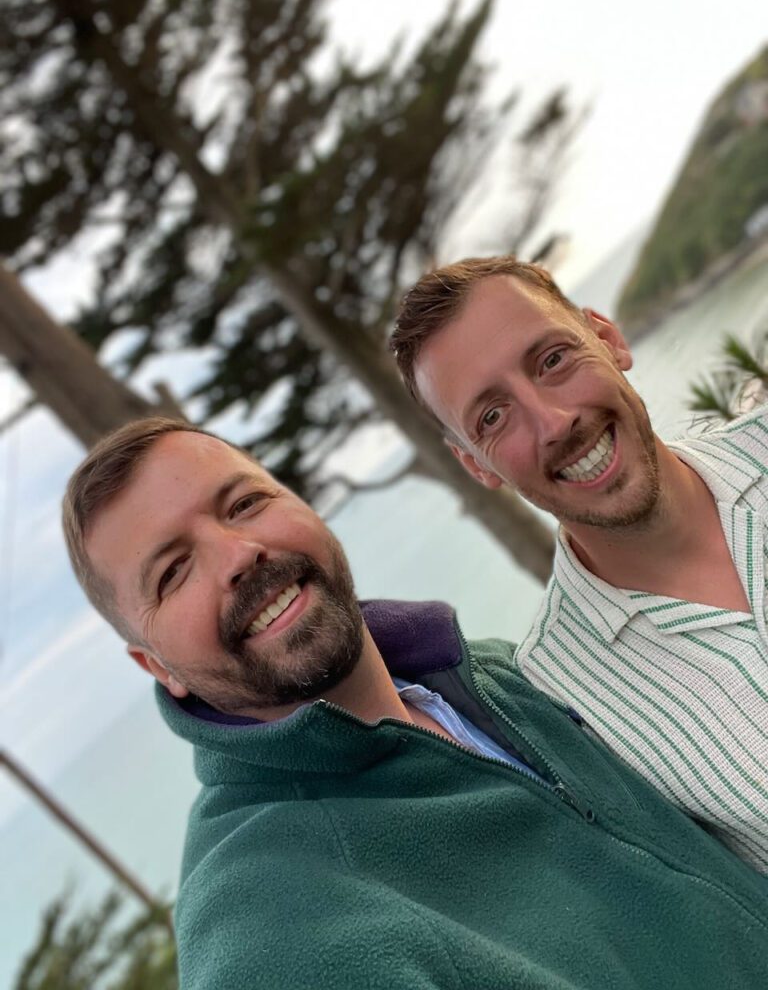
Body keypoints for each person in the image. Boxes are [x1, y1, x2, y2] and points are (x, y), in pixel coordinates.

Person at [62, 417, 768, 990]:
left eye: (244, 503)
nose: (239, 553)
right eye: (174, 571)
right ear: (157, 667)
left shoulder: (495, 676)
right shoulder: (270, 927)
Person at [391, 254, 768, 874]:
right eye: (492, 416)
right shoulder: (562, 702)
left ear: (607, 337)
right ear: (478, 466)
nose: (554, 422)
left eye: (553, 359)